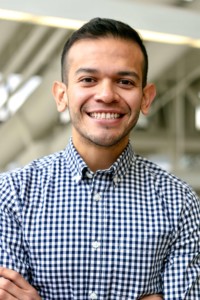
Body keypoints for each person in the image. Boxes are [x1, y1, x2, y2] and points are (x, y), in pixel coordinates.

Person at [0, 17, 199, 300]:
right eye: (88, 80)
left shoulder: (179, 203)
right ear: (61, 95)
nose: (106, 95)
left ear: (146, 97)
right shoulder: (11, 195)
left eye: (125, 81)